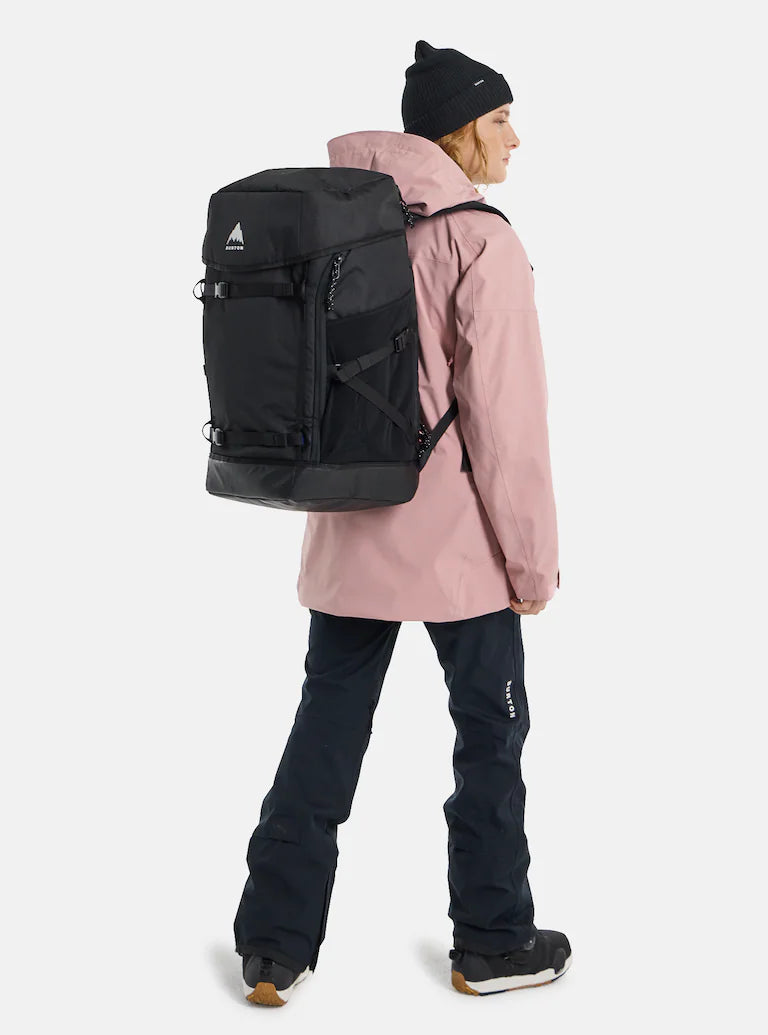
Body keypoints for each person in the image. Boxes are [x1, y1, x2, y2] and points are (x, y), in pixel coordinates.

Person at [235, 39, 571, 1006]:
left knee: (324, 732)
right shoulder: (480, 241)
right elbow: (508, 425)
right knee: (490, 737)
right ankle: (494, 941)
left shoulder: (346, 226)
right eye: (500, 119)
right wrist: (533, 566)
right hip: (462, 551)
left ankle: (274, 947)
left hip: (347, 531)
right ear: (459, 133)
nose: (515, 138)